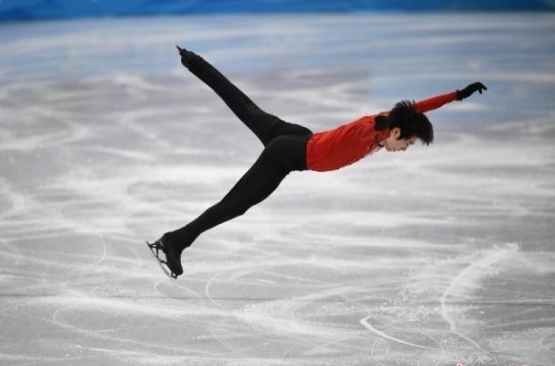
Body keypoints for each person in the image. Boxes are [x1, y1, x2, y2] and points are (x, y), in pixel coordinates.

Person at [148, 46, 487, 278]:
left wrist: (457, 95)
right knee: (235, 205)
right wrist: (385, 124)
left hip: (296, 136)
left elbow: (417, 108)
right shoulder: (371, 129)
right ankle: (174, 241)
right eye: (407, 143)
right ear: (395, 131)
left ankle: (193, 61)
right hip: (287, 154)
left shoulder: (391, 123)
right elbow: (381, 124)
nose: (404, 149)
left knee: (243, 105)